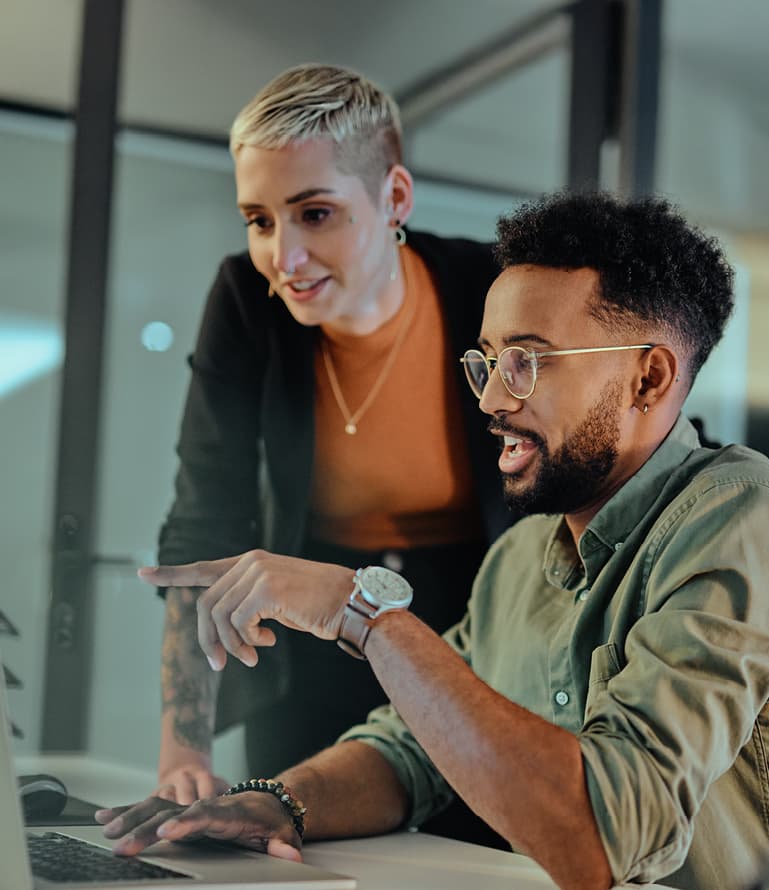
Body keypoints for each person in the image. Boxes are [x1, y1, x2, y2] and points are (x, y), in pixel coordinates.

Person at [107, 190, 769, 890]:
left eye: (527, 363)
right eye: (485, 363)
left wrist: (362, 612)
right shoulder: (521, 555)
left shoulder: (742, 518)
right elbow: (412, 750)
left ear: (649, 379)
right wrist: (278, 804)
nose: (490, 400)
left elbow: (604, 837)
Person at [153, 61, 511, 846]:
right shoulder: (246, 301)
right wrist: (185, 748)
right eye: (259, 220)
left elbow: (615, 460)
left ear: (395, 198)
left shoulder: (492, 289)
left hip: (477, 630)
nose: (283, 257)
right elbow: (204, 517)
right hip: (310, 632)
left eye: (316, 214)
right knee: (290, 849)